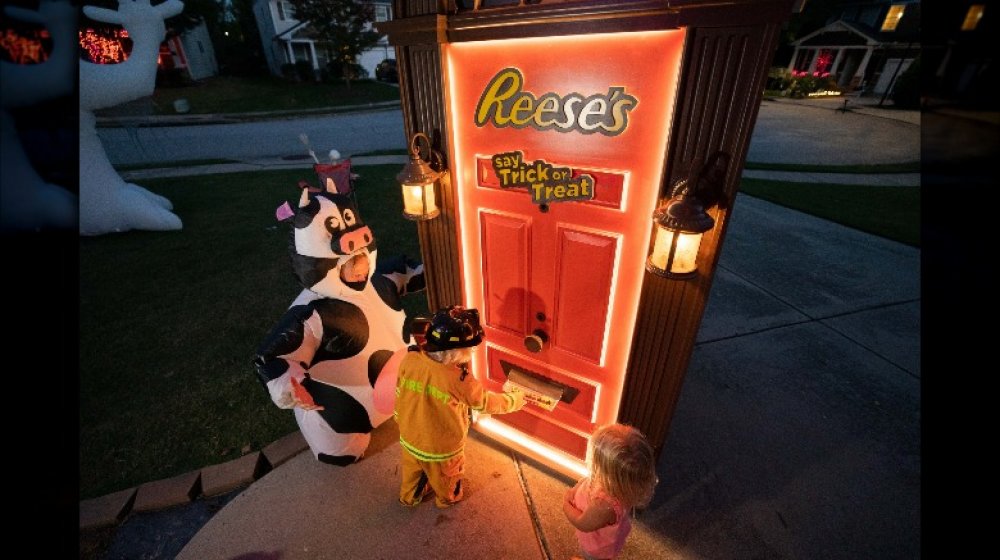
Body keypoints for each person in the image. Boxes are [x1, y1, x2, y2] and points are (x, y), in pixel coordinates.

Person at [394, 305, 526, 508]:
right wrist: (515, 399)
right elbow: (484, 403)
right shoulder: (460, 380)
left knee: (412, 471)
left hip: (409, 437)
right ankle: (447, 499)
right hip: (442, 448)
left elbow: (399, 392)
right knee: (447, 477)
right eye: (472, 348)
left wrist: (399, 417)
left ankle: (409, 497)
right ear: (457, 352)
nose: (473, 352)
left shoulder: (410, 359)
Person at [563, 423, 659, 560]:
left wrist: (566, 504)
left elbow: (582, 523)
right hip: (606, 538)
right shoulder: (624, 486)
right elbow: (589, 480)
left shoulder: (604, 505)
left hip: (596, 548)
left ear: (606, 472)